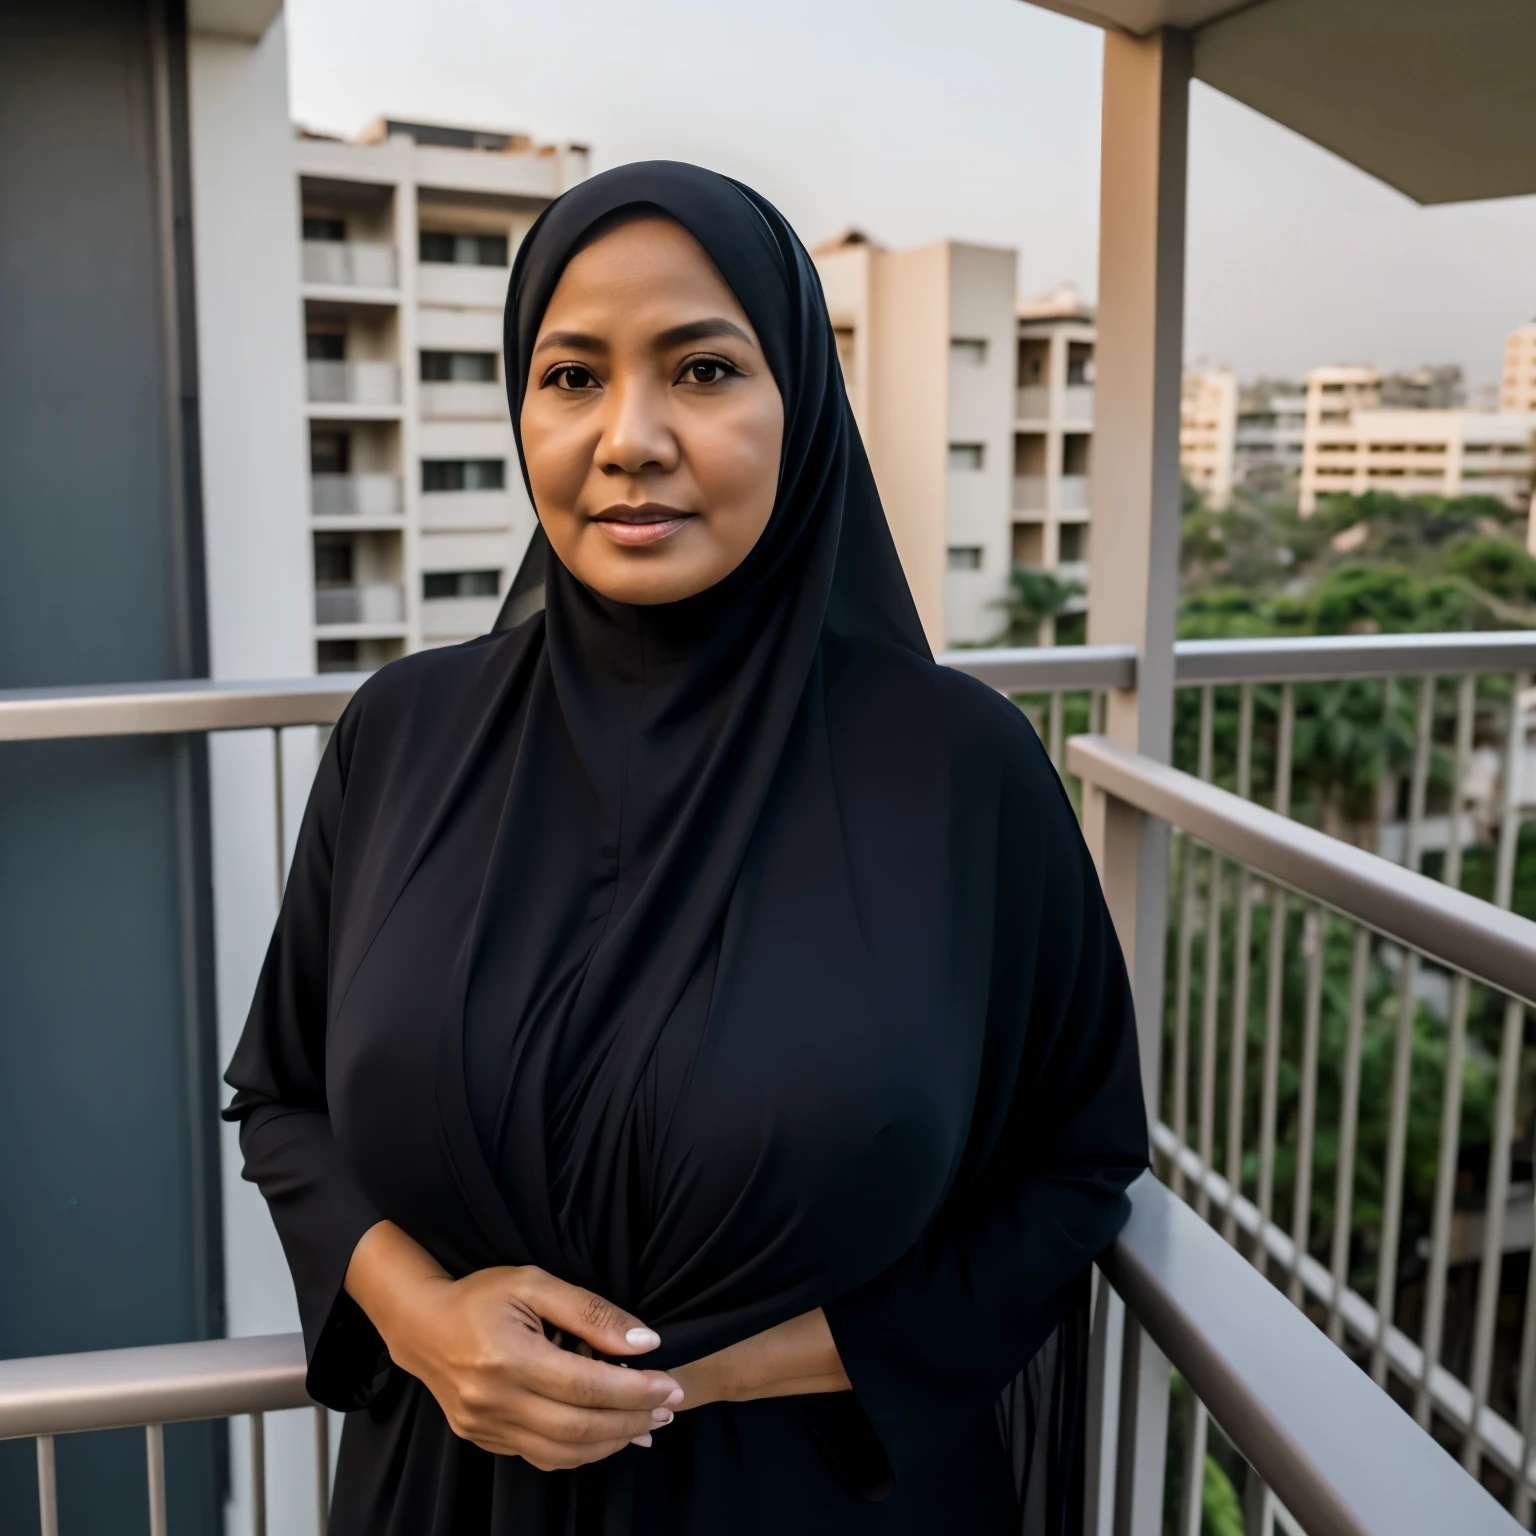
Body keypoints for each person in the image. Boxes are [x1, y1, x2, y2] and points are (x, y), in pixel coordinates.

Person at [224, 160, 1148, 1535]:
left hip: (809, 1493)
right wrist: (427, 1325)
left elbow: (1071, 1170)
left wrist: (715, 1376)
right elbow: (285, 1099)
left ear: (802, 406)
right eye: (573, 376)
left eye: (704, 372)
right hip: (451, 1492)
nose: (630, 437)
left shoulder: (960, 771)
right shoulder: (401, 736)